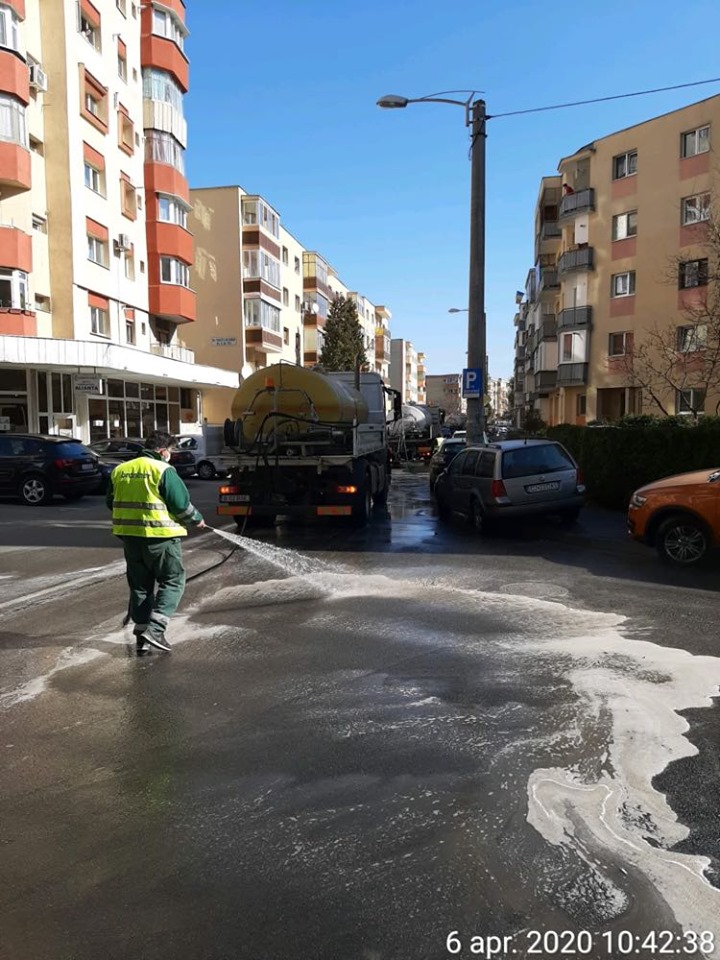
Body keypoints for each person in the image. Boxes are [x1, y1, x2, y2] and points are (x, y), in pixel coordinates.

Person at [107, 430, 206, 654]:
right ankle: (156, 630)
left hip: (130, 538)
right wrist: (196, 519)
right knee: (173, 580)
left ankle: (142, 636)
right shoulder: (162, 470)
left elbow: (110, 502)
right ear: (162, 451)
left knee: (140, 586)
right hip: (161, 538)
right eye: (170, 450)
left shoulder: (120, 470)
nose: (171, 455)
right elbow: (180, 504)